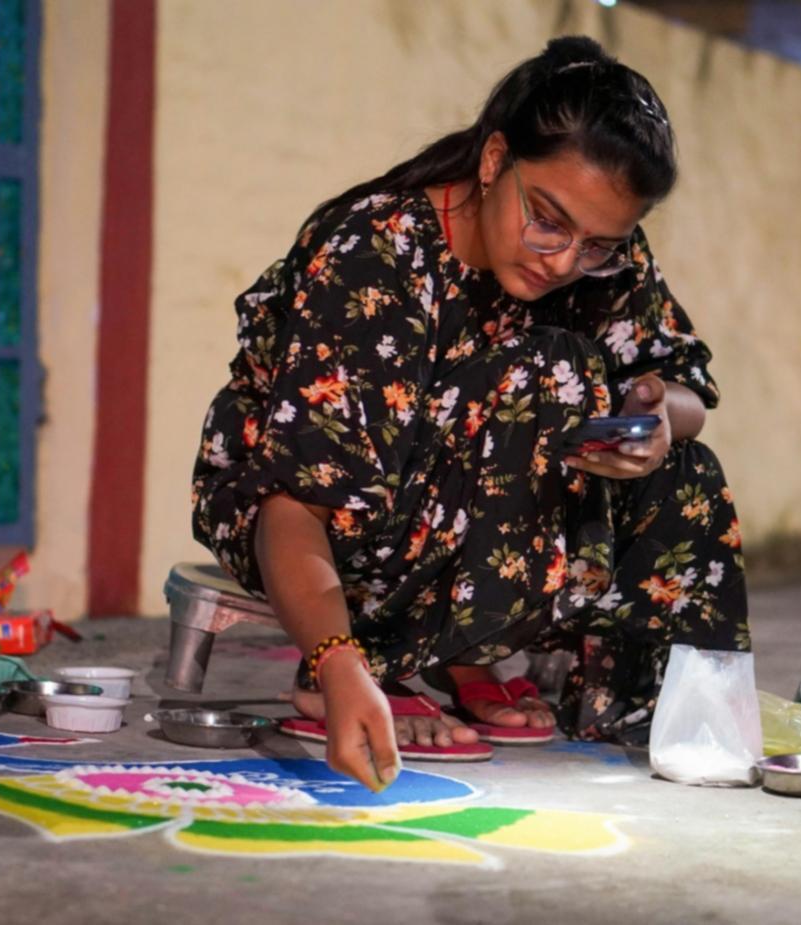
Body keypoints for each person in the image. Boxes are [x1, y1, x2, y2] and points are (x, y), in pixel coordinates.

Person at [191, 36, 749, 792]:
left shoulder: (600, 254)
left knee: (686, 474)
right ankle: (386, 657)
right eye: (547, 219)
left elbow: (683, 388)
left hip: (468, 528)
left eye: (595, 244)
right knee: (548, 372)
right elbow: (298, 502)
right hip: (322, 523)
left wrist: (654, 421)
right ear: (493, 161)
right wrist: (338, 661)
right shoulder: (376, 256)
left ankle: (541, 671)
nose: (561, 260)